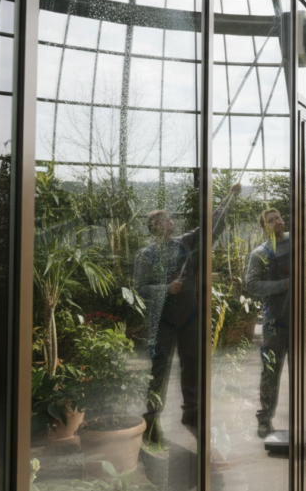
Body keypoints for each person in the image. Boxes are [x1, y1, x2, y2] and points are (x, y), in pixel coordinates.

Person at [136, 183, 240, 444]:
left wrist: (228, 198)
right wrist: (165, 288)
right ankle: (151, 419)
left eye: (169, 219)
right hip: (163, 322)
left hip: (189, 319)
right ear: (156, 227)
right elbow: (139, 288)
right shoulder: (146, 254)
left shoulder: (185, 243)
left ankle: (191, 412)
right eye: (165, 220)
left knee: (191, 364)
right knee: (159, 369)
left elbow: (209, 226)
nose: (171, 222)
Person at [246, 171, 306, 438]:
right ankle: (264, 419)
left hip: (297, 321)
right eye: (271, 220)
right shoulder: (259, 254)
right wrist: (286, 284)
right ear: (264, 227)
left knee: (298, 372)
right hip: (273, 324)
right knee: (270, 373)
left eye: (279, 217)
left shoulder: (294, 240)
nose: (278, 221)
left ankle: (297, 418)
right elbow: (252, 286)